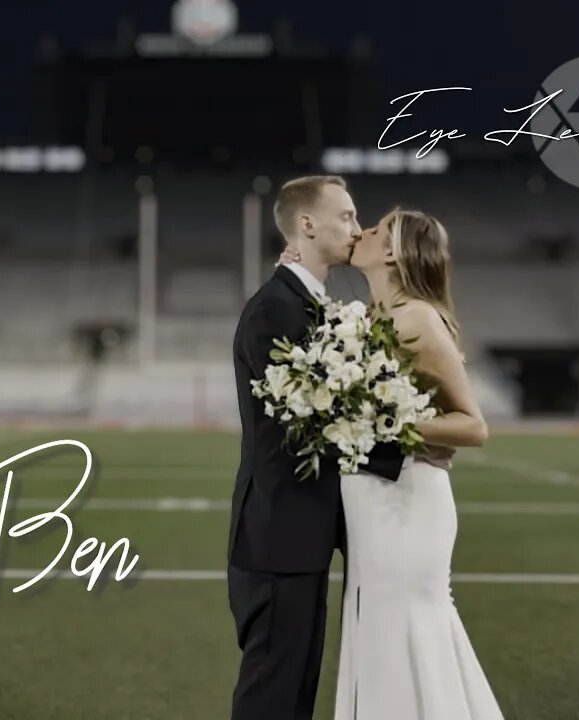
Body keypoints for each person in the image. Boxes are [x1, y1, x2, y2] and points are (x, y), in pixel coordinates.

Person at [283, 208, 504, 719]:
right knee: (376, 628)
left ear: (392, 252)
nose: (363, 232)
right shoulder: (367, 316)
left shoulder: (418, 318)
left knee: (409, 627)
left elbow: (473, 425)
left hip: (409, 502)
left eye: (378, 229)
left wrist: (381, 423)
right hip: (371, 501)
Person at [227, 176, 407, 720]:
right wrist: (404, 454)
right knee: (274, 694)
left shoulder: (304, 302)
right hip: (279, 535)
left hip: (300, 534)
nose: (356, 228)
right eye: (347, 217)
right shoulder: (275, 311)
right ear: (307, 225)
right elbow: (313, 426)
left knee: (296, 689)